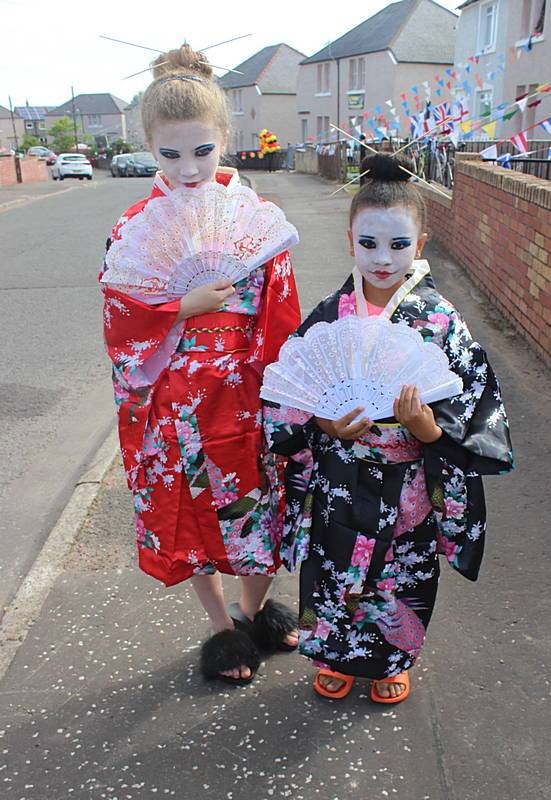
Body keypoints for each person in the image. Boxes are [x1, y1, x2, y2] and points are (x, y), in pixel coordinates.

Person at [264, 153, 513, 704]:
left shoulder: (442, 320)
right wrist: (326, 419)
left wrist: (427, 429)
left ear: (420, 244)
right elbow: (288, 404)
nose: (382, 258)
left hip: (410, 483)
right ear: (349, 239)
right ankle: (335, 653)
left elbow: (474, 406)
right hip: (341, 475)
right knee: (333, 565)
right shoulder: (330, 316)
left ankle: (390, 659)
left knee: (403, 571)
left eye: (399, 245)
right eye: (368, 242)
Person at [100, 44, 301, 686]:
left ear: (226, 140)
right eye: (170, 154)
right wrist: (178, 307)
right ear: (148, 149)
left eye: (202, 151)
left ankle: (255, 611)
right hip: (177, 398)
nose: (189, 169)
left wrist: (281, 384)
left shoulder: (254, 218)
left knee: (258, 510)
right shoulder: (133, 225)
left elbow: (283, 309)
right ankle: (221, 631)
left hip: (246, 390)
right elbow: (119, 320)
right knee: (195, 517)